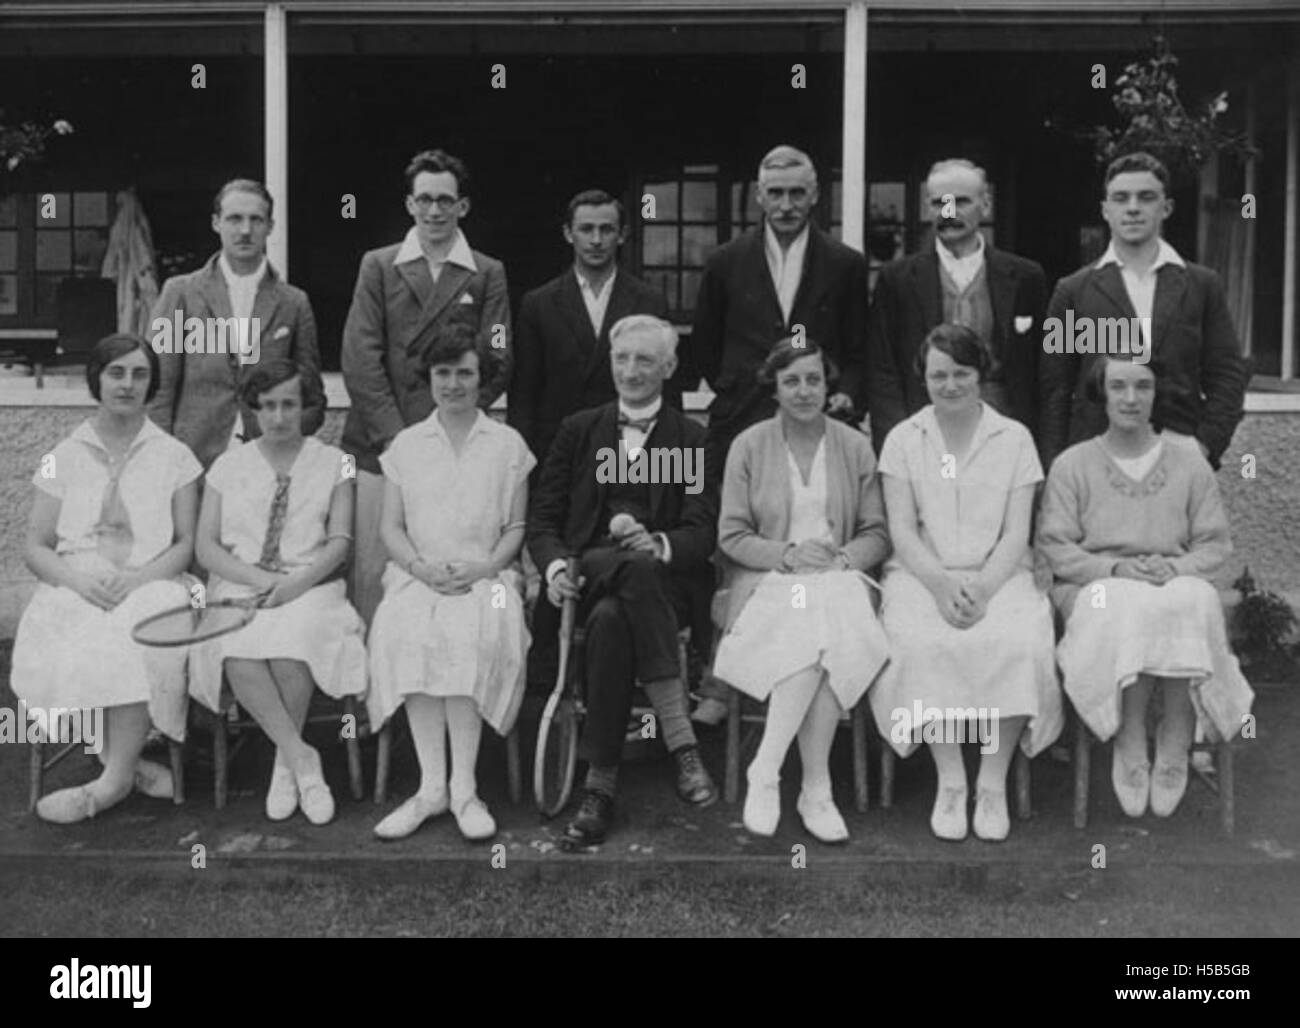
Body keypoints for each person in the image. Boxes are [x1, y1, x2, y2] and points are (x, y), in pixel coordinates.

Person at [690, 144, 868, 726]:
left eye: (798, 193)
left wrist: (843, 393)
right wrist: (737, 387)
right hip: (743, 420)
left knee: (811, 536)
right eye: (776, 193)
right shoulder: (724, 262)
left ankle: (819, 668)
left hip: (816, 420)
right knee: (734, 546)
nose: (786, 205)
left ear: (815, 196)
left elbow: (857, 345)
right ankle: (722, 680)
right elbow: (707, 343)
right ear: (759, 197)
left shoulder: (842, 263)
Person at [528, 314, 719, 848]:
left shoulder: (690, 438)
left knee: (616, 615)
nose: (631, 371)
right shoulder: (578, 430)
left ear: (669, 366)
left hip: (662, 586)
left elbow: (702, 530)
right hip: (584, 577)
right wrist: (554, 567)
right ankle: (681, 740)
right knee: (618, 573)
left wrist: (658, 545)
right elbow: (543, 520)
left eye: (644, 360)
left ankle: (600, 785)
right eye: (622, 358)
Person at [868, 324, 1063, 842]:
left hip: (1000, 574)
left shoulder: (1014, 438)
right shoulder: (904, 439)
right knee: (923, 640)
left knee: (1017, 641)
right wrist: (938, 586)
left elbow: (1017, 531)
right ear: (923, 378)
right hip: (920, 574)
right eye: (939, 375)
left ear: (981, 374)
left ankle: (993, 782)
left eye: (961, 373)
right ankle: (952, 779)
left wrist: (982, 588)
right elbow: (903, 531)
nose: (950, 384)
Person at [1037, 357, 1253, 819]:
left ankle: (1177, 733)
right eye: (1119, 387)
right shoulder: (1073, 464)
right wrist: (1115, 569)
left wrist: (1177, 569)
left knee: (1194, 599)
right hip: (1097, 585)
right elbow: (1056, 547)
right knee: (1123, 605)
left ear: (1157, 393)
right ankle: (1130, 734)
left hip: (1171, 578)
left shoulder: (1188, 462)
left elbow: (1215, 543)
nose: (1131, 398)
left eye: (1143, 386)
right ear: (1102, 393)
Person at [14, 333, 201, 823]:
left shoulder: (174, 455)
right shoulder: (63, 454)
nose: (127, 384)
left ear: (152, 385)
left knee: (139, 629)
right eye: (116, 373)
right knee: (73, 631)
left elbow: (185, 544)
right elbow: (36, 546)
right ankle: (122, 758)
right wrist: (76, 583)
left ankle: (111, 781)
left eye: (140, 374)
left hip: (152, 576)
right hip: (79, 578)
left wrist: (137, 580)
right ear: (96, 379)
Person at [712, 337, 891, 842]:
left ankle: (767, 768)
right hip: (770, 584)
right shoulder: (748, 445)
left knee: (827, 604)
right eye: (792, 381)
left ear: (826, 384)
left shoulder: (855, 446)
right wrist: (788, 555)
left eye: (813, 379)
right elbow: (730, 535)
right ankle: (814, 785)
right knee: (816, 616)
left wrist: (841, 558)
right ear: (775, 387)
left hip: (840, 580)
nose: (804, 390)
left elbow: (877, 532)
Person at [366, 324, 534, 843]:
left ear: (483, 379)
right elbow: (390, 528)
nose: (454, 383)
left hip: (491, 575)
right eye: (444, 372)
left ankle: (464, 788)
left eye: (465, 372)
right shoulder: (407, 445)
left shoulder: (507, 443)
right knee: (408, 631)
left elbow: (516, 528)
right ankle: (430, 786)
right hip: (419, 574)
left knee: (470, 634)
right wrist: (420, 569)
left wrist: (485, 569)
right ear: (429, 378)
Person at [190, 360, 366, 826]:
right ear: (253, 409)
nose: (279, 416)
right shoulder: (228, 465)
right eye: (267, 406)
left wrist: (293, 585)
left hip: (311, 584)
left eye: (289, 404)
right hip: (241, 581)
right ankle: (301, 758)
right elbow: (206, 547)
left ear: (308, 406)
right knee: (235, 645)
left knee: (296, 642)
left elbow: (340, 542)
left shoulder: (334, 462)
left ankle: (283, 771)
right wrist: (259, 580)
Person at [341, 148, 512, 626]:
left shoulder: (487, 272)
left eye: (445, 200)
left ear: (463, 207)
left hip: (455, 446)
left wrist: (451, 427)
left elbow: (498, 355)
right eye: (424, 200)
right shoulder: (379, 265)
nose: (434, 211)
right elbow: (360, 357)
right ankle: (372, 690)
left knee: (454, 566)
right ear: (410, 205)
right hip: (382, 443)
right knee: (376, 567)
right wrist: (399, 440)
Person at [1039, 151, 1249, 470]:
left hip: (1178, 458)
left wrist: (1205, 445)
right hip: (1096, 461)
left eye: (1146, 197)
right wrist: (1056, 468)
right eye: (1121, 198)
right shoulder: (1072, 291)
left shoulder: (1202, 285)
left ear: (1166, 208)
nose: (1133, 208)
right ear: (1106, 210)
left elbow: (1227, 375)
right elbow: (1056, 388)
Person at [868, 158, 1048, 451]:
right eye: (940, 203)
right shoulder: (897, 280)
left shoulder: (1026, 277)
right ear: (928, 208)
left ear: (985, 205)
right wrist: (896, 446)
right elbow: (882, 371)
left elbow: (1044, 371)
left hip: (1004, 438)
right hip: (926, 439)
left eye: (961, 201)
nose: (949, 213)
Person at [148, 179, 323, 469]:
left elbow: (312, 398)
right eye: (234, 219)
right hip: (192, 462)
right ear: (216, 223)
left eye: (256, 220)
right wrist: (166, 459)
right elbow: (158, 387)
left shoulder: (293, 302)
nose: (245, 230)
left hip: (266, 464)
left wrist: (283, 441)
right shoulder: (181, 293)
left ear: (270, 226)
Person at [509, 188, 673, 466]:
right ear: (568, 234)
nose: (596, 240)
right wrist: (524, 464)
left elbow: (667, 389)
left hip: (630, 453)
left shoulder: (649, 301)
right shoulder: (539, 303)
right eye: (586, 229)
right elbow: (525, 394)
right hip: (559, 454)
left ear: (622, 235)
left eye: (606, 230)